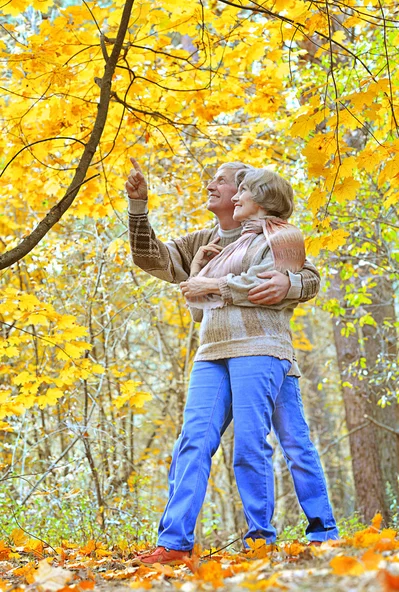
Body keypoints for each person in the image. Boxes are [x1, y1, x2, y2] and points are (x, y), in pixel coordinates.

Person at [126, 160, 338, 564]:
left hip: (262, 349)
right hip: (213, 351)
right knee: (192, 441)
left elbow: (306, 277)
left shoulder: (277, 235)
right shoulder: (204, 241)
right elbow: (151, 259)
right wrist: (139, 207)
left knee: (284, 444)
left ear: (249, 193)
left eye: (224, 182)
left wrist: (284, 283)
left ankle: (289, 535)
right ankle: (173, 542)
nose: (215, 186)